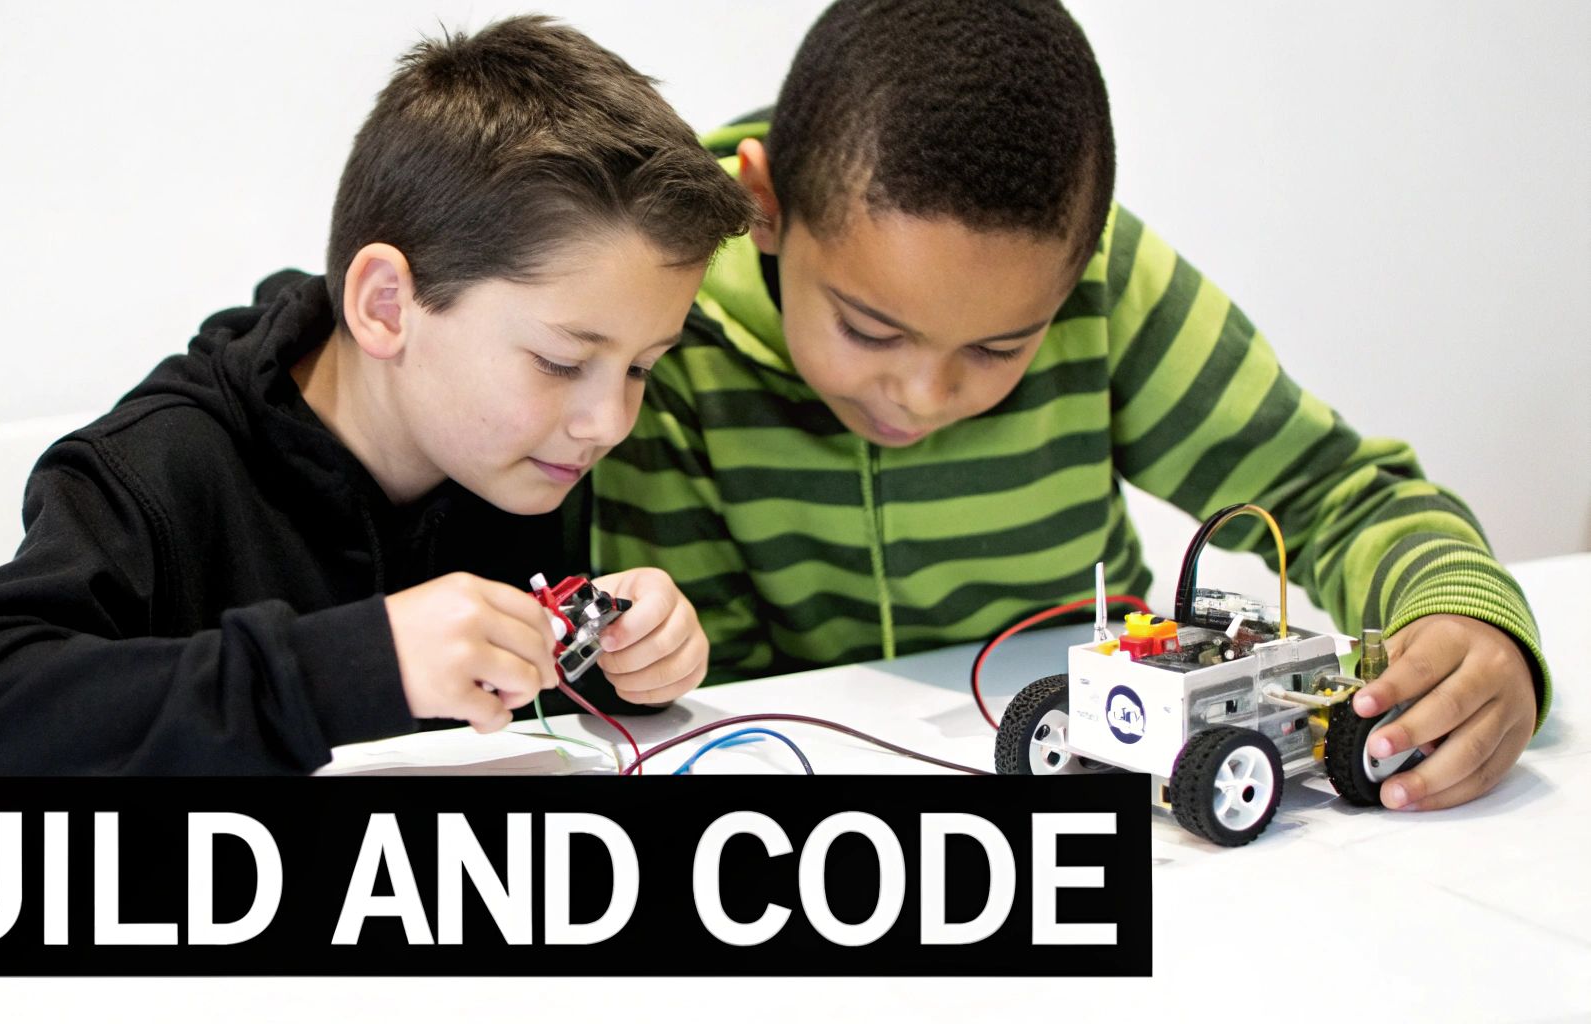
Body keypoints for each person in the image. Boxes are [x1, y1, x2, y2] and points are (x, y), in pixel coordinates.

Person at [592, 0, 1548, 811]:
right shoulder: (664, 324)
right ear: (765, 206)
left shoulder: (1107, 281)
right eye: (871, 330)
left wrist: (1466, 617)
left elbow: (1336, 490)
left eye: (1001, 346)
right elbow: (696, 688)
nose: (925, 394)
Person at [0, 16, 754, 775]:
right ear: (387, 306)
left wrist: (613, 660)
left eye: (642, 367)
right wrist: (355, 666)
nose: (608, 420)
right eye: (564, 362)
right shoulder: (164, 468)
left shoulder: (514, 457)